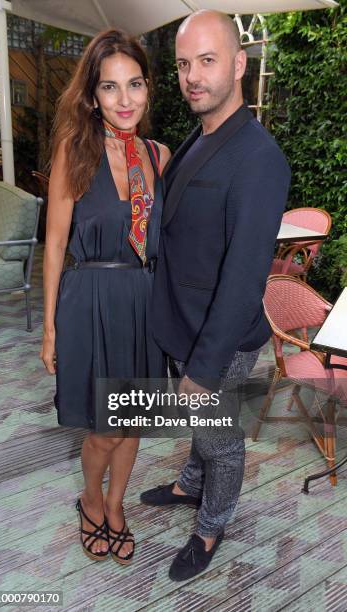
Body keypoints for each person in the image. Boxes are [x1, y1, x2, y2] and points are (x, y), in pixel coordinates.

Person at [141, 10, 291, 581]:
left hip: (219, 342)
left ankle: (211, 526)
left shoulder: (257, 157)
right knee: (202, 430)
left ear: (239, 64)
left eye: (207, 61)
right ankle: (189, 485)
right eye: (183, 64)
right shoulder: (202, 135)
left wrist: (202, 370)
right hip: (184, 323)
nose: (193, 76)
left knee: (220, 440)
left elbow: (245, 277)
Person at [40, 29, 170, 565]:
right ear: (93, 96)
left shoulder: (159, 156)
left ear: (147, 87)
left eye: (134, 84)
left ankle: (117, 505)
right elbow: (53, 243)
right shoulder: (75, 150)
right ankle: (91, 499)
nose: (125, 99)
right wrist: (49, 329)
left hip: (143, 300)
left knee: (133, 419)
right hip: (90, 300)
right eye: (110, 88)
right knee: (103, 428)